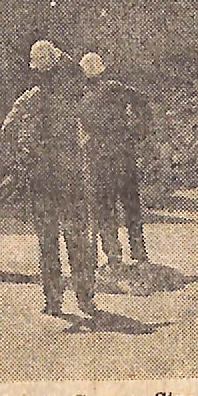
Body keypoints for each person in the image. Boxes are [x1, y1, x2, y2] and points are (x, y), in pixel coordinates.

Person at [1, 40, 97, 318]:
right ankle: (85, 299)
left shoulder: (30, 99)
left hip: (41, 179)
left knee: (47, 242)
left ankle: (53, 301)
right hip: (68, 178)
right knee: (76, 239)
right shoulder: (71, 100)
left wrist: (25, 152)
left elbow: (7, 128)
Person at [78, 52, 153, 266]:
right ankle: (138, 251)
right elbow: (142, 101)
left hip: (101, 158)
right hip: (123, 154)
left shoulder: (82, 98)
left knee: (105, 206)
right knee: (130, 205)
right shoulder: (116, 88)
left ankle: (113, 254)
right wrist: (139, 131)